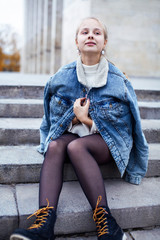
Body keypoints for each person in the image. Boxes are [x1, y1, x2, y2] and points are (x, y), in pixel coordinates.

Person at [10, 17, 148, 240]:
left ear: (104, 42)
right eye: (85, 32)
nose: (91, 35)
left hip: (105, 143)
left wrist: (87, 120)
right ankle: (44, 224)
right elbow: (53, 120)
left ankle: (107, 224)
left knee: (76, 147)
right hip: (71, 137)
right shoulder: (61, 77)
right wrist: (73, 121)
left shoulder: (117, 81)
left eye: (97, 33)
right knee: (55, 145)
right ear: (76, 41)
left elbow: (124, 129)